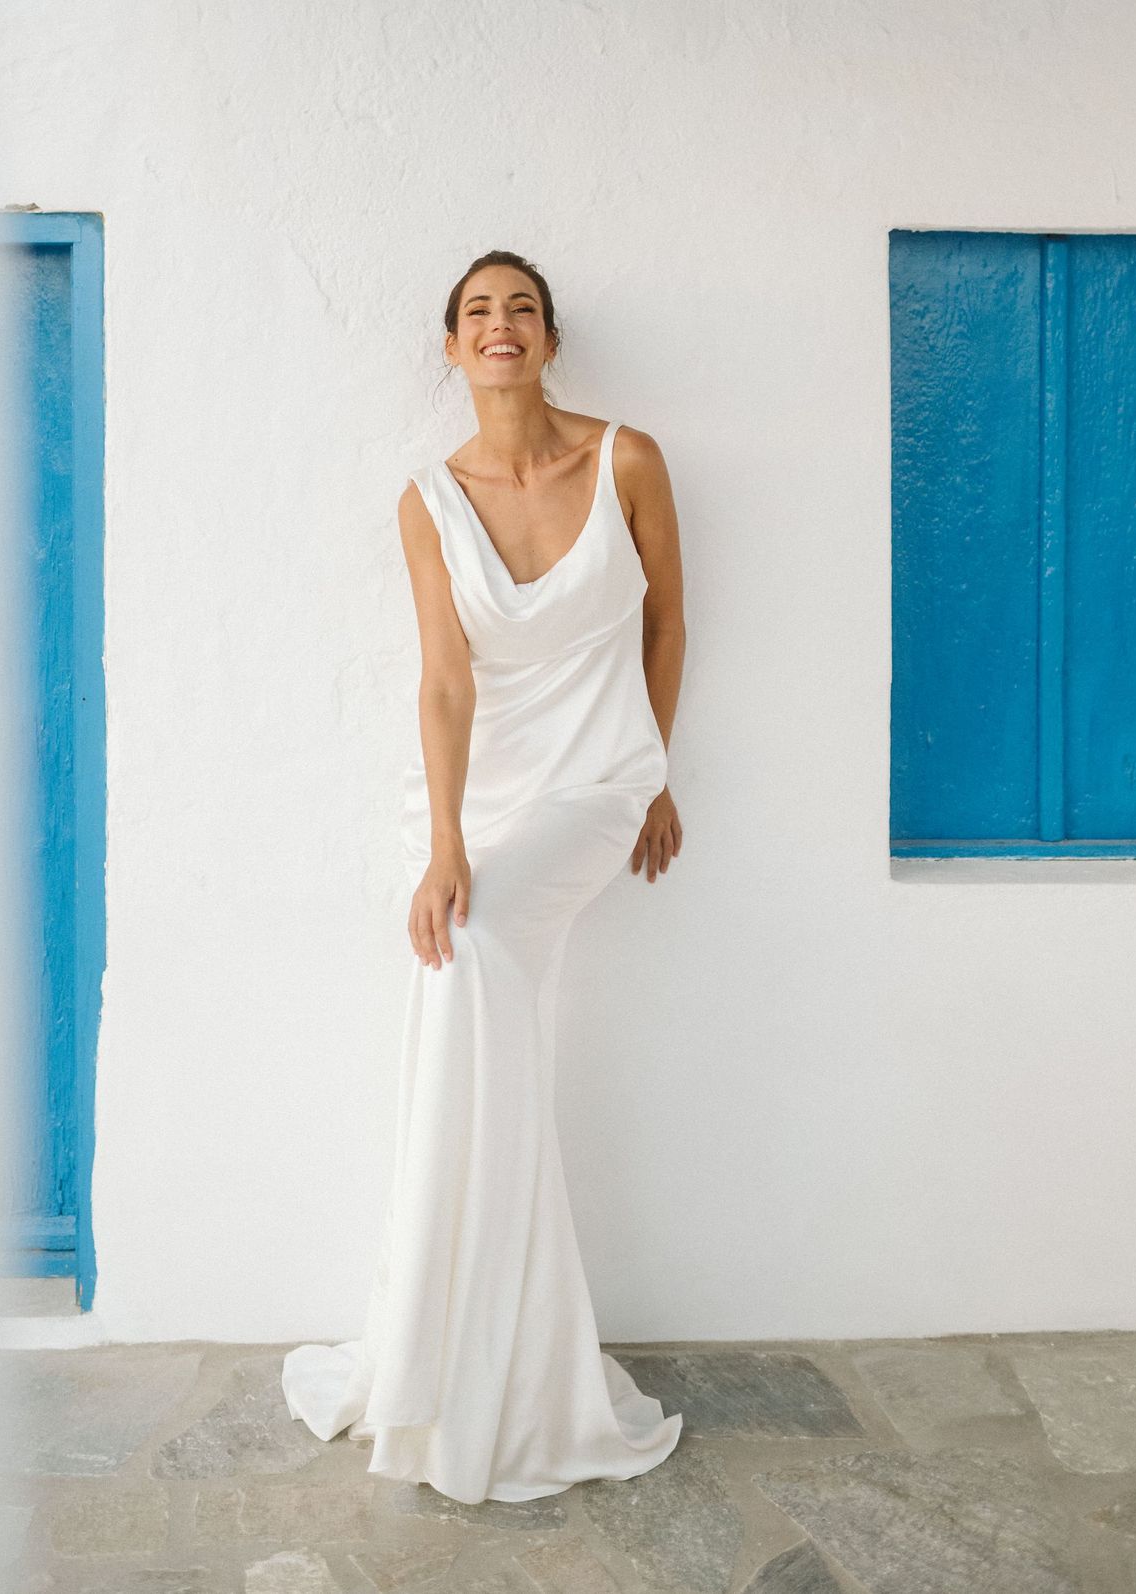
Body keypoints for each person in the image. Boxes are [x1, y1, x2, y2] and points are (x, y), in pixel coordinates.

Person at [282, 250, 687, 1504]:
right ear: (451, 350)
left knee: (484, 949)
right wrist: (447, 844)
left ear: (550, 340)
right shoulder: (426, 497)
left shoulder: (628, 459)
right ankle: (455, 1346)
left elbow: (667, 619)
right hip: (479, 801)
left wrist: (657, 772)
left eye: (520, 310)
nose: (499, 327)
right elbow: (447, 679)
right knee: (459, 966)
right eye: (477, 313)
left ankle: (510, 1355)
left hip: (596, 784)